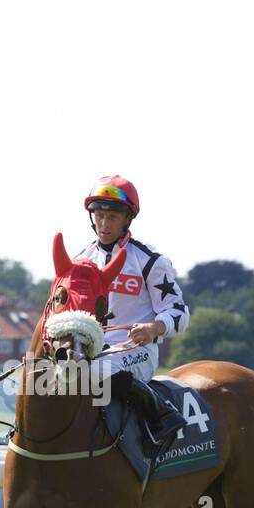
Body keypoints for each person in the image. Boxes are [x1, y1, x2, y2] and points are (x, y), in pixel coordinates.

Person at [76, 174, 189, 441]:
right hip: (91, 351)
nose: (104, 223)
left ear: (127, 219)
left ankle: (163, 413)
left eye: (112, 217)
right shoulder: (81, 260)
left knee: (97, 373)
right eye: (99, 215)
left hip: (137, 352)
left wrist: (154, 328)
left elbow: (179, 313)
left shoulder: (150, 260)